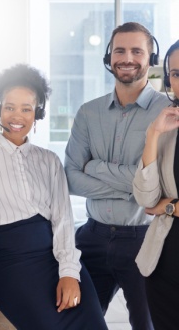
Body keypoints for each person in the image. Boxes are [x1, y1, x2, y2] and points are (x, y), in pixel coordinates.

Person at [0, 63, 107, 330]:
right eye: (9, 107)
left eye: (26, 108)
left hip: (56, 259)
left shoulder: (50, 160)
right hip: (13, 268)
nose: (16, 116)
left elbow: (63, 220)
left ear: (37, 113)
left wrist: (68, 273)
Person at [64, 22, 171, 329]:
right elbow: (71, 177)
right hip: (92, 237)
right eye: (120, 50)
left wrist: (95, 167)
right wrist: (138, 188)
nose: (127, 57)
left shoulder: (168, 114)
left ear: (151, 58)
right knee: (77, 323)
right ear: (109, 57)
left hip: (146, 239)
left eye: (137, 51)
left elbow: (163, 183)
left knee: (147, 325)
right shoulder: (88, 113)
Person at [133, 40, 179, 330]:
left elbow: (159, 205)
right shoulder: (166, 127)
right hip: (164, 266)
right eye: (175, 73)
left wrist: (168, 206)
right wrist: (153, 135)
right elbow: (145, 198)